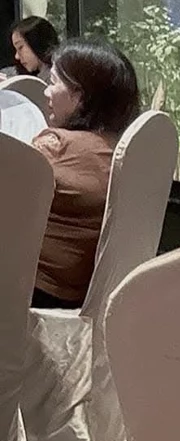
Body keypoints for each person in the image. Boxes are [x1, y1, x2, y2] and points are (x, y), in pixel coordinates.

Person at [30, 40, 140, 309]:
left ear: (79, 97)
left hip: (33, 292)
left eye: (53, 82)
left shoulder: (56, 146)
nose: (45, 91)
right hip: (89, 294)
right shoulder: (125, 150)